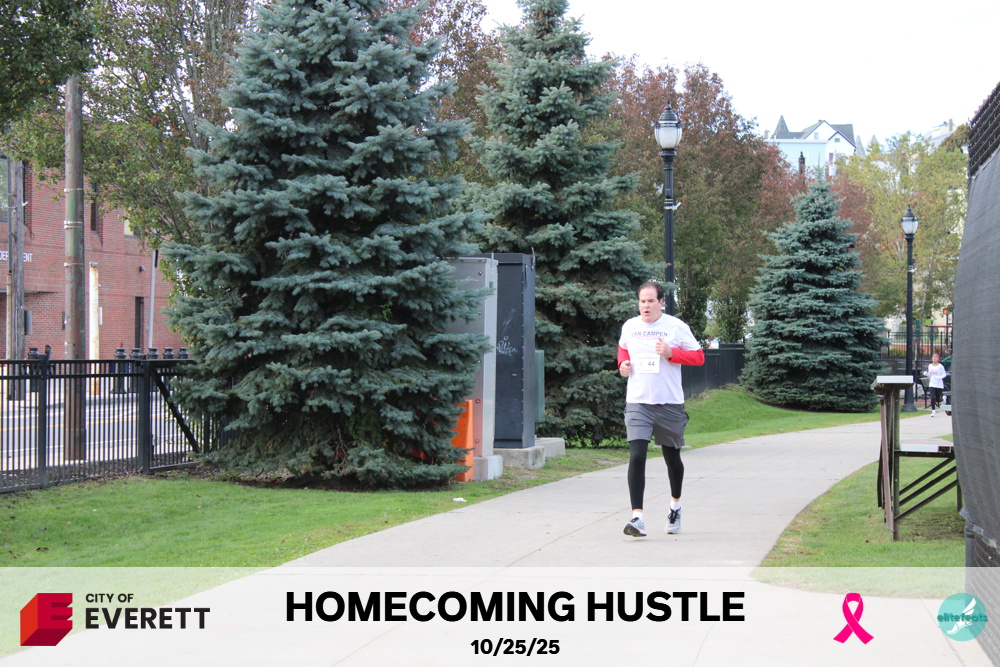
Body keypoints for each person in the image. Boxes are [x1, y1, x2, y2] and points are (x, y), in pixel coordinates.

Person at [617, 282, 705, 537]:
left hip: (669, 403)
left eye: (650, 301)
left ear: (661, 303)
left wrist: (671, 353)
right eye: (642, 301)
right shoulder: (630, 326)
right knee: (637, 456)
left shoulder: (675, 326)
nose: (645, 306)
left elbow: (699, 357)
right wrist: (623, 364)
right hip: (638, 402)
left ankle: (675, 506)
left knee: (672, 458)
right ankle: (637, 518)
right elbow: (623, 348)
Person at [925, 352, 948, 416]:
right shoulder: (930, 366)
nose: (934, 358)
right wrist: (926, 374)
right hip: (932, 383)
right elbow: (930, 374)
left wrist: (939, 377)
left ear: (938, 359)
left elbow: (944, 374)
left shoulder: (940, 366)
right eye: (933, 357)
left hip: (939, 384)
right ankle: (933, 411)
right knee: (932, 397)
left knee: (938, 399)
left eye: (936, 357)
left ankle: (943, 399)